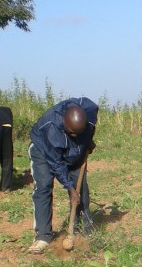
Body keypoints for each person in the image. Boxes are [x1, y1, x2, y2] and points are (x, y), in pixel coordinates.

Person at [27, 97, 98, 254]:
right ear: (64, 124)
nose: (74, 135)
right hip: (44, 152)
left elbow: (90, 126)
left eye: (77, 133)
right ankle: (43, 236)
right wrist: (70, 189)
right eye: (71, 132)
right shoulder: (50, 128)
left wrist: (88, 141)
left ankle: (84, 228)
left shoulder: (89, 110)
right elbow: (56, 164)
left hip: (75, 150)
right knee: (44, 186)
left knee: (81, 188)